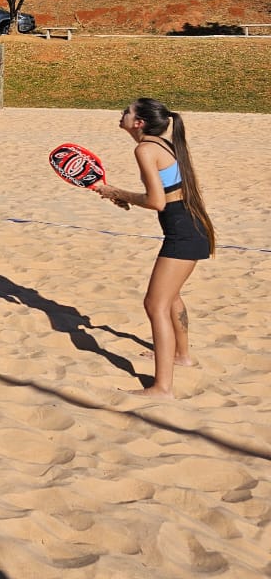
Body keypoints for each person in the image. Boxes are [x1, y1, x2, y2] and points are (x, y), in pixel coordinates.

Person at [95, 98, 216, 399]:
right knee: (170, 297)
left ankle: (163, 388)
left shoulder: (145, 149)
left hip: (183, 233)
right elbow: (165, 193)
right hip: (191, 227)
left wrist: (116, 191)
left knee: (155, 304)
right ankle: (182, 356)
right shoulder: (164, 144)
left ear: (139, 123)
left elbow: (156, 201)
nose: (121, 113)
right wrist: (126, 197)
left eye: (127, 111)